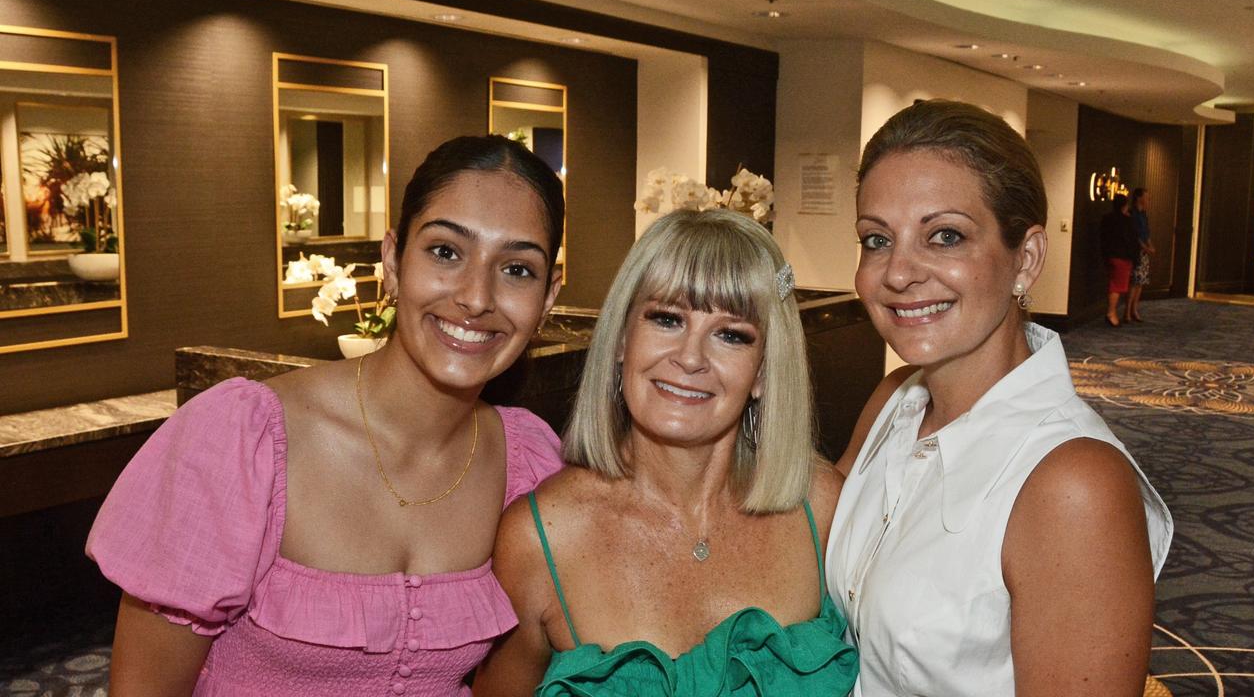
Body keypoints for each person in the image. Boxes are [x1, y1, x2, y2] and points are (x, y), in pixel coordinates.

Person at [86, 135, 567, 696]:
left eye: (517, 269)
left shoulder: (528, 465)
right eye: (445, 252)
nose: (477, 296)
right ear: (391, 261)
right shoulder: (245, 439)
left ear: (549, 296)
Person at [828, 100, 1172, 697]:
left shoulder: (1073, 485)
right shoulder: (892, 401)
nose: (898, 272)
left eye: (945, 236)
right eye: (877, 239)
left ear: (1027, 258)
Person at [474, 209, 858, 696]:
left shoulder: (822, 509)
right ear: (621, 339)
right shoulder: (542, 538)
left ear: (763, 372)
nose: (690, 357)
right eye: (667, 318)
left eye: (731, 334)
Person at [1100, 192, 1140, 327]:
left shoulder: (1107, 218)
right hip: (1122, 257)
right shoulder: (1127, 221)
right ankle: (1111, 313)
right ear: (1125, 206)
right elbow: (1133, 240)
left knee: (1113, 283)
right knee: (1116, 286)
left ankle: (1111, 313)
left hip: (1110, 256)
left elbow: (1102, 237)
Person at [1126, 188, 1155, 322]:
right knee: (1134, 281)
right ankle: (1127, 311)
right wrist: (1144, 247)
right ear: (1138, 198)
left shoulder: (1143, 214)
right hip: (1136, 251)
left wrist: (1150, 245)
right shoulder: (1132, 213)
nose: (1148, 200)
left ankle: (1134, 309)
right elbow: (1134, 234)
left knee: (1140, 282)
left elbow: (1146, 232)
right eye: (1146, 197)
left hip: (1144, 251)